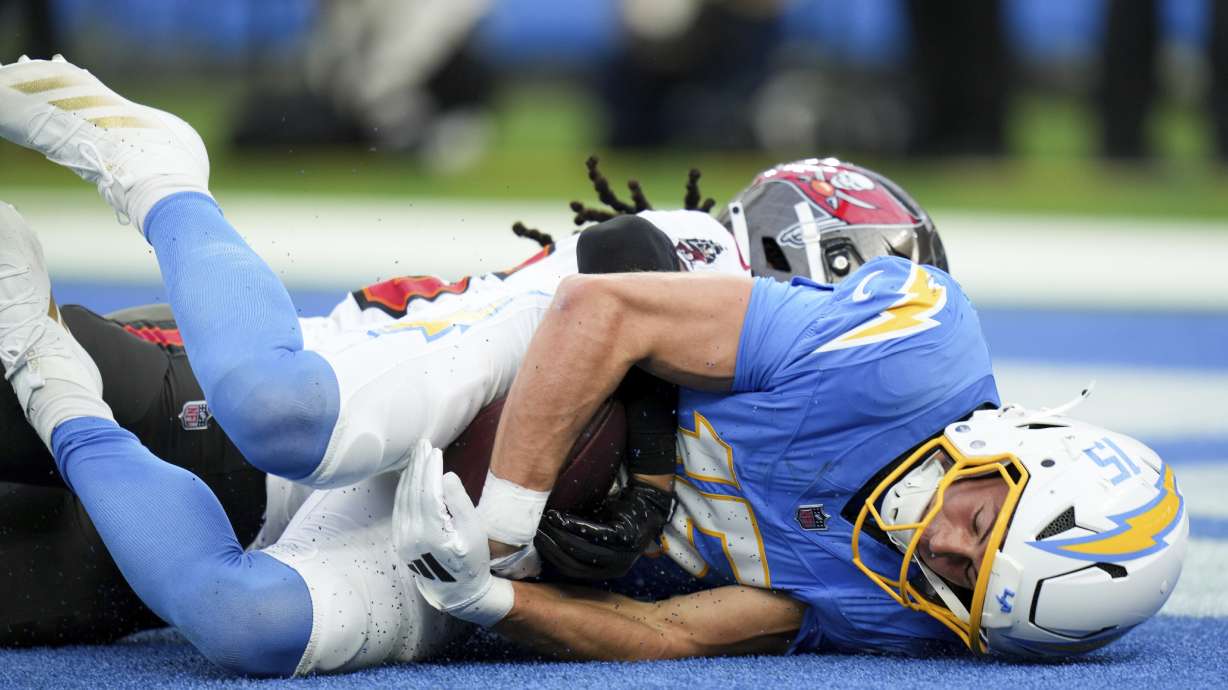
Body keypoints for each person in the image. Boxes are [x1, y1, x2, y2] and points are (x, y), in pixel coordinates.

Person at [0, 55, 1184, 673]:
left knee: (248, 626)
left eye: (963, 586)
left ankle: (46, 369)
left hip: (478, 528)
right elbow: (601, 305)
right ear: (1020, 449)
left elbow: (683, 633)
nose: (941, 551)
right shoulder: (904, 352)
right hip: (518, 378)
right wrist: (509, 521)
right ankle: (158, 173)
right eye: (979, 525)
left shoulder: (905, 607)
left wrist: (494, 597)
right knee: (276, 412)